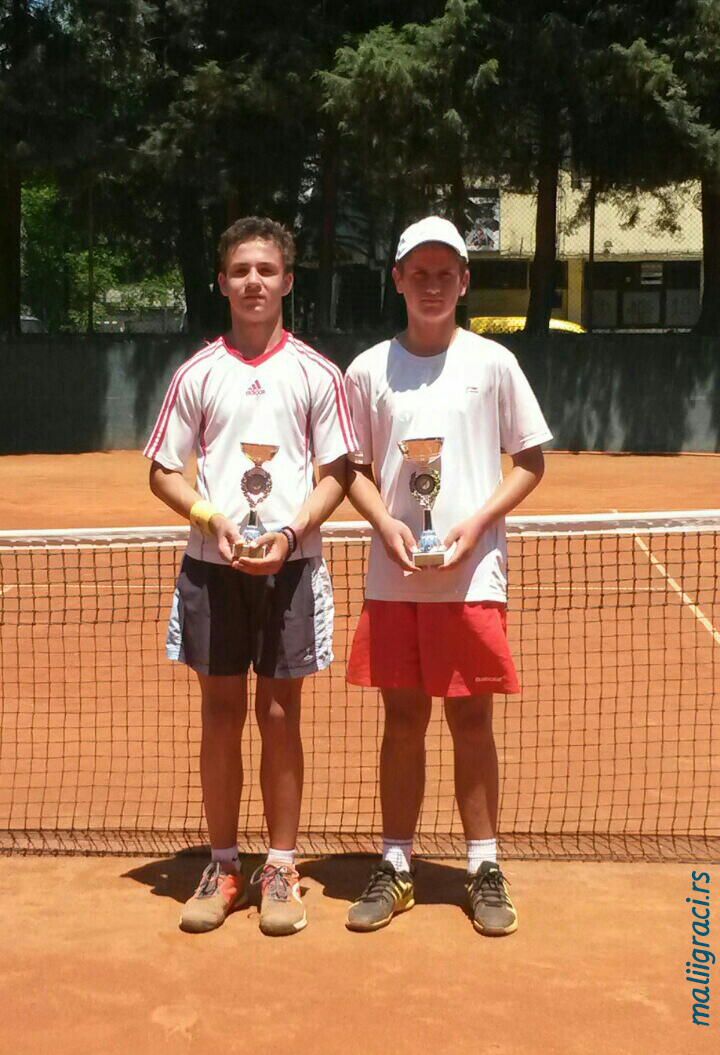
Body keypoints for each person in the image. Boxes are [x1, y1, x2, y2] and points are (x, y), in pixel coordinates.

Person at [144, 217, 356, 936]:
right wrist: (212, 517)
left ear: (288, 281)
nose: (254, 281)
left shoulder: (318, 374)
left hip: (290, 569)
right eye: (240, 270)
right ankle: (225, 860)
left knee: (280, 716)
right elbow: (164, 471)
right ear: (222, 281)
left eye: (267, 269)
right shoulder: (197, 373)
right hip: (213, 569)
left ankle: (281, 865)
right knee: (220, 713)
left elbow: (336, 473)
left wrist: (292, 530)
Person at [343, 216, 551, 936]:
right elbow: (354, 472)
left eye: (446, 273)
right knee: (402, 721)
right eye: (418, 272)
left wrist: (473, 524)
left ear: (464, 282)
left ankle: (483, 864)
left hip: (472, 578)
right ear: (397, 279)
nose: (432, 284)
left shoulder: (493, 363)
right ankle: (396, 863)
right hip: (396, 577)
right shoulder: (368, 369)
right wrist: (388, 524)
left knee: (471, 719)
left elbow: (530, 460)